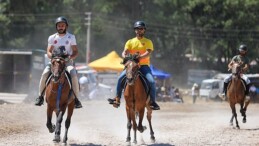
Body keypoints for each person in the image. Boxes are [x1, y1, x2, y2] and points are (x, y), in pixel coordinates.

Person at [107, 21, 160, 110]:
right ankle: (117, 98)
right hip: (131, 66)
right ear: (135, 30)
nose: (139, 30)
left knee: (151, 81)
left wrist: (139, 57)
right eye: (137, 29)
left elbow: (148, 53)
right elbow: (125, 52)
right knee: (120, 78)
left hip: (143, 66)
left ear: (144, 30)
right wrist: (124, 56)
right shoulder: (130, 41)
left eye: (141, 29)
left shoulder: (148, 41)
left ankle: (152, 102)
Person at [35, 16, 82, 108]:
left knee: (73, 75)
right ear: (56, 27)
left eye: (62, 25)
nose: (61, 27)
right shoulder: (52, 37)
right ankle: (40, 97)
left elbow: (76, 52)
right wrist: (52, 57)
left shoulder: (71, 37)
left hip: (67, 62)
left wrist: (70, 57)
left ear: (66, 27)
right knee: (44, 74)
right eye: (59, 25)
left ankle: (76, 99)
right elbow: (48, 51)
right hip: (54, 62)